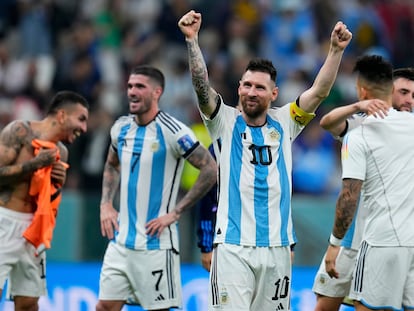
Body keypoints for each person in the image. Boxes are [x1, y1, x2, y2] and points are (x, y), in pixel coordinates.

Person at [178, 9, 352, 310]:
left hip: (278, 250)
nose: (251, 92)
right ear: (238, 89)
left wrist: (335, 51)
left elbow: (319, 91)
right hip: (233, 248)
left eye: (259, 87)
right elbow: (201, 87)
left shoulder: (286, 122)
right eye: (246, 85)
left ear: (274, 93)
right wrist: (192, 41)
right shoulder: (223, 122)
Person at [96, 65, 217, 311]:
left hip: (156, 244)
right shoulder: (121, 128)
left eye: (140, 86)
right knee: (105, 307)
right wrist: (106, 203)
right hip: (121, 242)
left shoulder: (173, 131)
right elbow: (111, 165)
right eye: (130, 86)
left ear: (157, 92)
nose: (132, 91)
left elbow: (210, 169)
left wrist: (177, 211)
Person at [313, 66, 414, 311]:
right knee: (326, 303)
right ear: (388, 92)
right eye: (403, 92)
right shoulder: (364, 125)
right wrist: (358, 106)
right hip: (353, 238)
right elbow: (327, 122)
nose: (409, 100)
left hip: (383, 238)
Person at [0, 90, 89, 311]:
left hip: (34, 230)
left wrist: (58, 184)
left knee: (29, 304)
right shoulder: (19, 131)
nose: (84, 128)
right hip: (4, 222)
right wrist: (34, 165)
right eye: (81, 119)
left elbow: (47, 200)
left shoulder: (61, 152)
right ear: (61, 116)